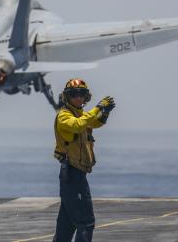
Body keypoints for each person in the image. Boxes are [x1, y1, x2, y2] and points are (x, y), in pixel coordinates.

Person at [52, 78, 115, 242]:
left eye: (81, 94)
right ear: (67, 97)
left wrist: (105, 112)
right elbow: (79, 125)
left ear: (86, 97)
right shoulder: (64, 116)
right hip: (73, 176)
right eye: (74, 94)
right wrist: (99, 107)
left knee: (66, 227)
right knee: (86, 223)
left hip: (75, 177)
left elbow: (94, 123)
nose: (78, 98)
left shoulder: (80, 115)